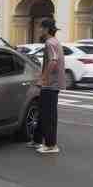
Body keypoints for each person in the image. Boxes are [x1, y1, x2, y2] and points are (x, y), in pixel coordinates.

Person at [27, 19, 64, 154]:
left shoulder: (50, 43)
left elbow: (53, 61)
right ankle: (37, 140)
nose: (39, 30)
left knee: (48, 115)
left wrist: (43, 78)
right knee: (43, 112)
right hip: (51, 84)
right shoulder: (54, 41)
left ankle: (51, 145)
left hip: (50, 85)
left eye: (41, 28)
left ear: (47, 29)